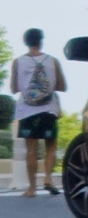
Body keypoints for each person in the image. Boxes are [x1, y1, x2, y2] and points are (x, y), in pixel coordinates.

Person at [10, 29, 64, 197]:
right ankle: (48, 178)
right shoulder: (53, 61)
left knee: (31, 149)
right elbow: (62, 86)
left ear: (25, 42)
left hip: (27, 110)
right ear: (41, 41)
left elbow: (14, 88)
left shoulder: (18, 62)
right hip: (48, 109)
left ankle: (31, 188)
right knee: (50, 146)